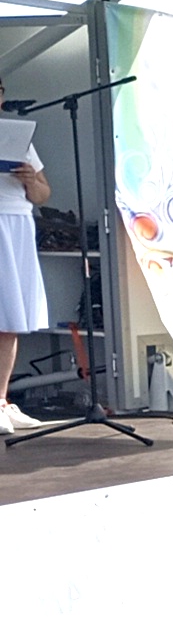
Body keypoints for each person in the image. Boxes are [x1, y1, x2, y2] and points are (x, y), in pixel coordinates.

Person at [0, 79, 51, 435]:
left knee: (12, 317)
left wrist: (30, 180)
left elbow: (44, 194)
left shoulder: (16, 135)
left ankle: (1, 400)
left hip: (18, 222)